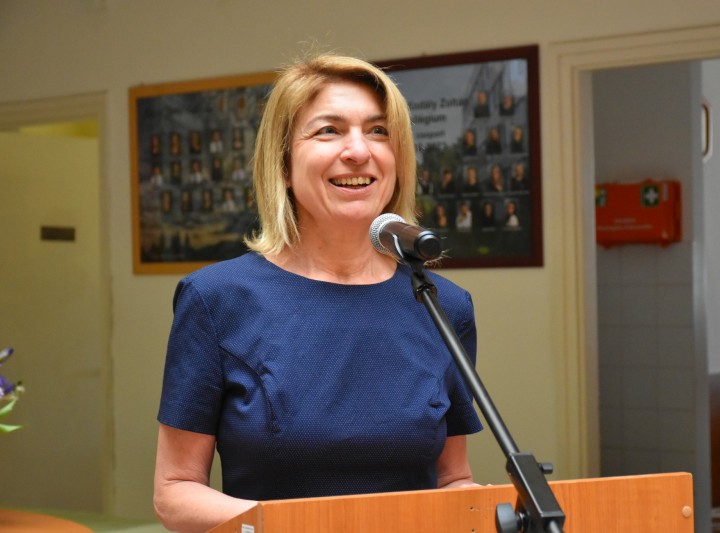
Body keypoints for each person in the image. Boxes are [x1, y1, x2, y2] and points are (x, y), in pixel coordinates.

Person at [153, 53, 483, 533]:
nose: (358, 150)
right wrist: (302, 526)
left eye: (378, 131)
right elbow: (175, 492)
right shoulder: (216, 299)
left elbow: (452, 479)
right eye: (329, 131)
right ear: (283, 165)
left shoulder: (443, 305)